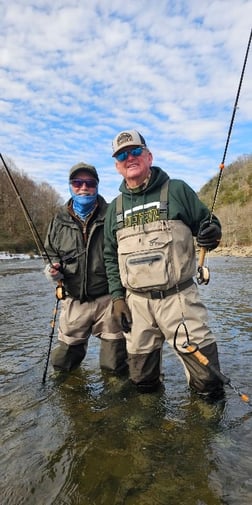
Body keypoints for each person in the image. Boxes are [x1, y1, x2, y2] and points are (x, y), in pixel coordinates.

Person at [104, 129, 224, 397]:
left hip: (179, 299)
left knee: (208, 381)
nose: (130, 157)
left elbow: (209, 225)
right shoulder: (114, 208)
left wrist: (212, 232)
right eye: (122, 155)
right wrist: (117, 299)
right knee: (142, 380)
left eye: (135, 151)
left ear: (149, 156)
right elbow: (110, 257)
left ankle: (209, 431)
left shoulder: (178, 189)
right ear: (116, 166)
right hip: (136, 305)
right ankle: (149, 431)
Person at [44, 161, 128, 374]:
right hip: (73, 300)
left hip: (108, 299)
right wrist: (52, 270)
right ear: (70, 185)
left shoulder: (113, 215)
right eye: (77, 182)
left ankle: (116, 403)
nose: (83, 187)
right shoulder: (58, 220)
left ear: (97, 185)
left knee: (114, 366)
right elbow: (51, 252)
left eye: (89, 183)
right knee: (63, 365)